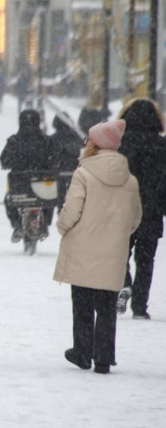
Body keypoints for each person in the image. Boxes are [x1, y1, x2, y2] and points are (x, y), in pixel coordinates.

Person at [54, 120, 141, 374]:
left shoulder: (84, 173)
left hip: (83, 246)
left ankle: (82, 352)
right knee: (106, 305)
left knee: (81, 302)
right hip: (113, 252)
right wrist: (117, 235)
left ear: (95, 143)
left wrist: (62, 227)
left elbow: (72, 210)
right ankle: (103, 357)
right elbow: (135, 218)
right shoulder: (130, 179)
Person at [115, 98, 166, 319]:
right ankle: (140, 307)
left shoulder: (119, 144)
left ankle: (124, 283)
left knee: (119, 254)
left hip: (123, 209)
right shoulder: (162, 146)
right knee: (146, 260)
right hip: (151, 209)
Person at [0, 109, 54, 242]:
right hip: (42, 188)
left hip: (19, 187)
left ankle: (17, 225)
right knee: (51, 199)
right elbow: (53, 160)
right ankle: (45, 223)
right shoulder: (46, 141)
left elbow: (4, 160)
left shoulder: (13, 141)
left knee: (8, 200)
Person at [48, 112, 83, 211]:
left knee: (60, 193)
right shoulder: (76, 137)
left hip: (58, 171)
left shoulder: (53, 139)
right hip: (73, 169)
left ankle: (61, 210)